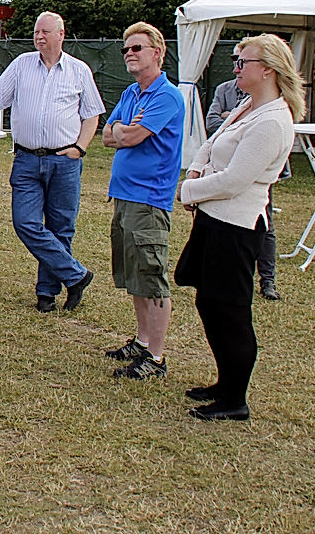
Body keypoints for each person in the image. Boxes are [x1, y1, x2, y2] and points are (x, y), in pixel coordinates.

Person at [176, 33, 302, 421]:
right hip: (215, 220)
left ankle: (235, 399)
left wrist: (189, 189)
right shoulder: (247, 107)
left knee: (230, 309)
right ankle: (225, 381)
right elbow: (212, 144)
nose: (236, 67)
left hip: (237, 226)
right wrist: (197, 166)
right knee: (209, 300)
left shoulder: (274, 121)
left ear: (267, 70)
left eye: (242, 61)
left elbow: (235, 180)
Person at [0, 11, 104, 313]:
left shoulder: (79, 70)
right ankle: (76, 275)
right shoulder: (21, 65)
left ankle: (47, 294)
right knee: (25, 222)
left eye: (45, 32)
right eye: (37, 32)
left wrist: (80, 148)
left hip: (64, 160)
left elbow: (92, 113)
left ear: (61, 34)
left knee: (61, 227)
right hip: (27, 159)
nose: (39, 37)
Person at [101, 23, 185, 379]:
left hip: (149, 200)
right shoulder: (132, 94)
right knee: (134, 276)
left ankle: (156, 356)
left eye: (137, 48)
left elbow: (133, 136)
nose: (130, 54)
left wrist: (124, 132)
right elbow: (108, 135)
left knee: (151, 276)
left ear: (157, 52)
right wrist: (122, 130)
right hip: (124, 196)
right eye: (126, 49)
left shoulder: (167, 96)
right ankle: (142, 341)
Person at [205, 48, 282, 301]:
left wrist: (235, 127)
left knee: (263, 222)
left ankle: (267, 280)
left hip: (252, 169)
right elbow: (213, 123)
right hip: (225, 167)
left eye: (242, 62)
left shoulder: (271, 108)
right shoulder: (224, 90)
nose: (236, 68)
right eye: (234, 61)